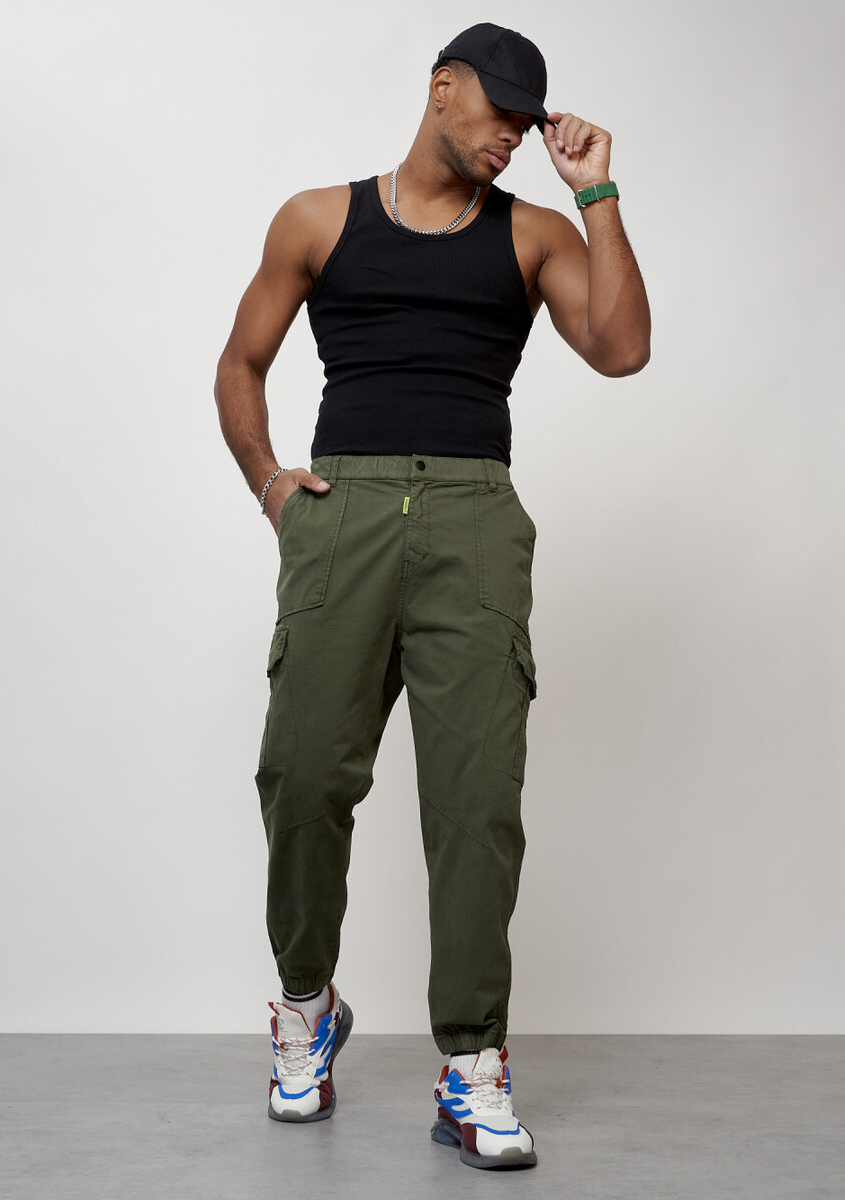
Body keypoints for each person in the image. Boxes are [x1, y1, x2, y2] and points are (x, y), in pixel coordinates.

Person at [214, 21, 650, 1172]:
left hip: (472, 520)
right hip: (342, 512)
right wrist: (272, 484)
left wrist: (596, 190)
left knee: (475, 808)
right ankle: (305, 1006)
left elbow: (621, 350)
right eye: (495, 109)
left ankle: (473, 1066)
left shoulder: (535, 234)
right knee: (303, 776)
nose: (510, 134)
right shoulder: (318, 219)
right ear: (440, 89)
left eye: (525, 119)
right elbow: (239, 362)